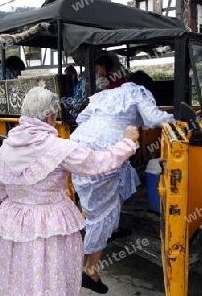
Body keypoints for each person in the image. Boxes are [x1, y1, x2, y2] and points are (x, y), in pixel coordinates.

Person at [0, 86, 139, 296]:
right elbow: (98, 163)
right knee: (50, 273)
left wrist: (22, 204)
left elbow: (2, 190)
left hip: (14, 220)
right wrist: (127, 143)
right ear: (50, 116)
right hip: (51, 222)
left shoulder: (4, 147)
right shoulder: (58, 148)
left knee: (18, 272)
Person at [70, 70, 175, 293]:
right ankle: (90, 270)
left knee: (125, 180)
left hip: (80, 143)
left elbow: (82, 118)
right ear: (146, 86)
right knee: (102, 210)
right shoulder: (140, 91)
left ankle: (113, 228)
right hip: (107, 148)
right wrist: (177, 120)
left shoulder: (106, 94)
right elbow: (154, 119)